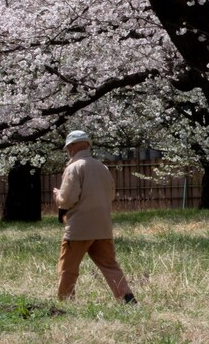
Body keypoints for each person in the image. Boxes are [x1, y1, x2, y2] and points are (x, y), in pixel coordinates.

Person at [53, 130, 137, 304]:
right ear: (88, 145)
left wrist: (58, 196)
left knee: (68, 267)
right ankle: (126, 297)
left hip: (79, 229)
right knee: (109, 265)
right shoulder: (102, 167)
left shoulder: (74, 168)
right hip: (103, 227)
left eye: (68, 147)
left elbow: (68, 199)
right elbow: (111, 194)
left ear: (72, 146)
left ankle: (65, 301)